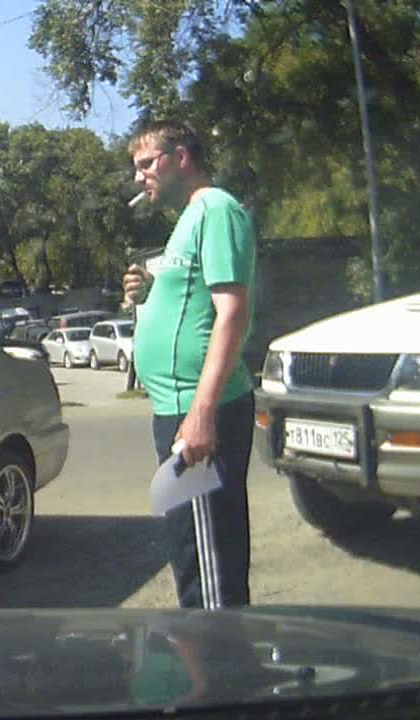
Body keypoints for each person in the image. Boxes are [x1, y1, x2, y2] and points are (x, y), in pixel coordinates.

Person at [122, 121, 257, 610]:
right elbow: (193, 306)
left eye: (146, 164)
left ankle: (221, 677)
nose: (139, 178)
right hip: (175, 410)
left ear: (181, 157)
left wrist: (201, 413)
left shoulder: (216, 210)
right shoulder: (185, 221)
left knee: (208, 573)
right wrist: (150, 294)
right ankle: (207, 673)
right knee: (189, 552)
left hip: (200, 412)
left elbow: (232, 312)